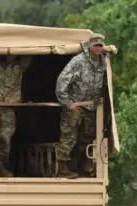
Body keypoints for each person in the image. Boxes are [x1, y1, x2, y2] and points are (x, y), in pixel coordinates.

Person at [54, 33, 107, 179]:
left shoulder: (104, 62)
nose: (97, 48)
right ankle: (62, 168)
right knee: (69, 135)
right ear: (89, 45)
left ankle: (78, 166)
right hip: (76, 105)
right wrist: (67, 102)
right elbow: (61, 82)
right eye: (95, 45)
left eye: (100, 45)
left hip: (92, 107)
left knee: (87, 137)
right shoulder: (78, 61)